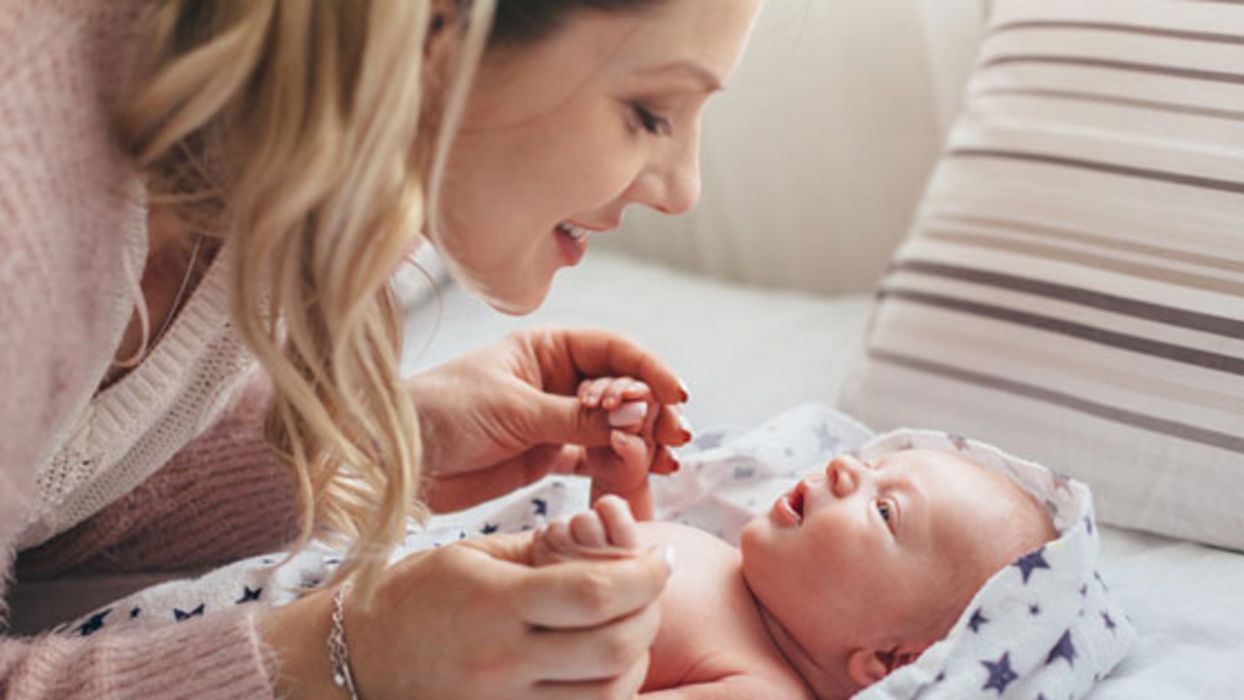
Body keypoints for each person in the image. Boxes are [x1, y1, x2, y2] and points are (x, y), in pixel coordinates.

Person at [0, 0, 762, 698]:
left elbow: (52, 488)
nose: (682, 189)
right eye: (652, 112)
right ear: (437, 26)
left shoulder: (266, 162)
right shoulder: (21, 196)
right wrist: (335, 659)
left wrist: (375, 440)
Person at [533, 383, 1060, 698]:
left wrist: (570, 592)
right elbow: (642, 556)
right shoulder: (732, 569)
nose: (843, 467)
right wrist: (621, 485)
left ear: (887, 661)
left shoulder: (762, 688)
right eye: (872, 465)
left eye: (884, 509)